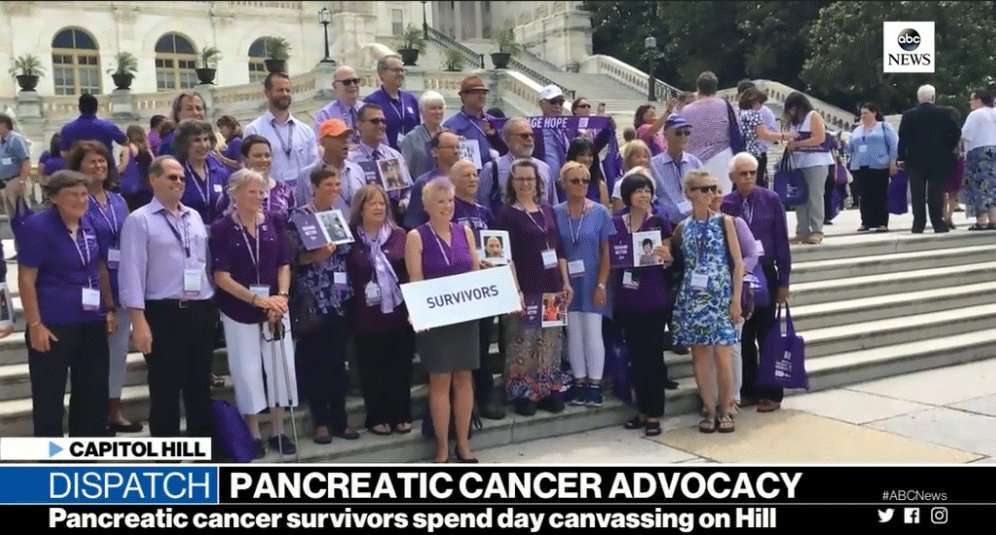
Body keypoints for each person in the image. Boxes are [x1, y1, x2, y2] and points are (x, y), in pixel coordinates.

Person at [119, 156, 216, 438]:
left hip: (199, 310)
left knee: (199, 386)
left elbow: (203, 261)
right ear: (153, 180)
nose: (178, 182)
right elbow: (132, 270)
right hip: (163, 313)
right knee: (165, 389)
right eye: (171, 177)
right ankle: (167, 458)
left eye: (182, 178)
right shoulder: (139, 220)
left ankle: (204, 454)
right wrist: (138, 321)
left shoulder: (194, 216)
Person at [19, 170, 116, 437]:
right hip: (53, 323)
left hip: (91, 320)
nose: (80, 200)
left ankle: (86, 455)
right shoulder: (37, 227)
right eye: (72, 194)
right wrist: (35, 323)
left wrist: (107, 308)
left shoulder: (89, 223)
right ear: (54, 198)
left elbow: (99, 267)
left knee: (93, 393)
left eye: (84, 194)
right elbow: (26, 279)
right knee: (49, 397)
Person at [210, 169, 296, 457]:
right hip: (239, 308)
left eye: (262, 192)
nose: (259, 197)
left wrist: (281, 298)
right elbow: (221, 276)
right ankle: (254, 432)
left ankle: (279, 429)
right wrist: (257, 301)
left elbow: (284, 263)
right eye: (252, 191)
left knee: (280, 367)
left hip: (275, 306)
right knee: (246, 370)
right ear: (235, 194)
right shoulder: (222, 228)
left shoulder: (273, 220)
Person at [404, 177, 481, 463]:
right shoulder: (416, 236)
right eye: (440, 202)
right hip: (435, 316)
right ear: (427, 206)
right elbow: (416, 278)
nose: (447, 206)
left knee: (464, 377)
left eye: (450, 201)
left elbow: (474, 271)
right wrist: (419, 311)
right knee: (439, 380)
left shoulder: (465, 231)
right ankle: (441, 447)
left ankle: (463, 443)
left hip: (464, 315)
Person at [66, 141, 139, 434]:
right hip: (90, 286)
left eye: (102, 162)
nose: (98, 167)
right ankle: (92, 415)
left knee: (118, 352)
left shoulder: (119, 201)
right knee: (92, 357)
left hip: (121, 282)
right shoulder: (77, 201)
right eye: (91, 162)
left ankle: (114, 410)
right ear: (78, 167)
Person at [288, 167, 363, 444]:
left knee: (337, 361)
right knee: (315, 361)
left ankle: (340, 419)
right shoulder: (298, 216)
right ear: (314, 187)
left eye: (337, 184)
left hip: (339, 297)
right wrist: (316, 255)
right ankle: (320, 421)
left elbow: (346, 252)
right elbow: (294, 258)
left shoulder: (338, 216)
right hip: (312, 300)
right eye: (328, 185)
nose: (334, 189)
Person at [496, 159, 571, 416]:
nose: (526, 183)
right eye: (520, 179)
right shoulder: (506, 214)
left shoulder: (547, 210)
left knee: (550, 341)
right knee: (522, 341)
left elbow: (559, 248)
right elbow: (507, 256)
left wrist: (566, 282)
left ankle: (547, 388)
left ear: (537, 182)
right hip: (526, 287)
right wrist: (514, 290)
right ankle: (522, 392)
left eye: (530, 179)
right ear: (512, 182)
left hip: (552, 287)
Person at [672, 170, 743, 434]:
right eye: (704, 189)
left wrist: (736, 299)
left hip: (720, 297)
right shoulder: (682, 227)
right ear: (689, 193)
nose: (710, 194)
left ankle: (726, 409)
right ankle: (709, 409)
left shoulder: (725, 221)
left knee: (723, 356)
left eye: (713, 188)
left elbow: (737, 264)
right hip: (693, 298)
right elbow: (678, 262)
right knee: (700, 356)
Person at [721, 153, 792, 413]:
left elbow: (782, 240)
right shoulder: (726, 203)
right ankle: (749, 389)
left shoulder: (770, 199)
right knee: (745, 334)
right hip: (738, 274)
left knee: (767, 333)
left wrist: (784, 281)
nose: (748, 177)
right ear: (732, 177)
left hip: (765, 271)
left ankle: (772, 392)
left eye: (752, 172)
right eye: (743, 173)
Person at [346, 184, 415, 436]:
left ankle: (402, 414)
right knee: (371, 368)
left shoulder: (400, 235)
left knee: (400, 367)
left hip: (399, 314)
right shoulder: (350, 237)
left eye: (381, 203)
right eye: (372, 203)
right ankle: (377, 416)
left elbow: (410, 272)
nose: (378, 207)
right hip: (366, 316)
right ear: (360, 209)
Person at [613, 172, 674, 436]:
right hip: (628, 299)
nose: (644, 194)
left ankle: (654, 413)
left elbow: (670, 258)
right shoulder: (617, 223)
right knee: (635, 358)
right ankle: (640, 409)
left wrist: (666, 255)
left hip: (654, 297)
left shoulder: (659, 221)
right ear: (628, 195)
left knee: (652, 356)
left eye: (648, 190)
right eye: (639, 190)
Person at [448, 160, 505, 420]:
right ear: (453, 180)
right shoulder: (448, 209)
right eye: (466, 175)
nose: (472, 179)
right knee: (465, 348)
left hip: (484, 288)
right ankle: (464, 403)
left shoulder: (484, 211)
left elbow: (499, 247)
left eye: (475, 175)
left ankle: (484, 396)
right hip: (460, 289)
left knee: (482, 343)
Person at [553, 161, 612, 407]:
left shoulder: (600, 212)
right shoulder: (555, 212)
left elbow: (607, 252)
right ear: (563, 183)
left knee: (593, 332)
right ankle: (579, 382)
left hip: (592, 280)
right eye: (575, 180)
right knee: (574, 333)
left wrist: (601, 285)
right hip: (567, 283)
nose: (580, 185)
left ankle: (595, 384)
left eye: (585, 180)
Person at [708, 184, 760, 416]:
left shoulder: (735, 223)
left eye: (718, 190)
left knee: (733, 347)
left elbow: (751, 254)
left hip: (733, 291)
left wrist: (734, 275)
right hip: (704, 294)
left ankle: (732, 397)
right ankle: (710, 396)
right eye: (708, 190)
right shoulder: (688, 225)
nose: (714, 195)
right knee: (706, 349)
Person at [898, 84, 961, 234]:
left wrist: (901, 157)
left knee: (917, 193)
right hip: (938, 158)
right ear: (933, 97)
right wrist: (948, 148)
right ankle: (937, 223)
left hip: (915, 159)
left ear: (918, 98)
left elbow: (902, 138)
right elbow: (955, 133)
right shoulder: (944, 113)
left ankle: (918, 224)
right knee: (936, 192)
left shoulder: (908, 115)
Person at [244, 72, 319, 188]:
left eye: (288, 90)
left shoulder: (306, 131)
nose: (285, 94)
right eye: (280, 90)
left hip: (302, 199)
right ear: (267, 93)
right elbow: (250, 170)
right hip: (271, 198)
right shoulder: (254, 130)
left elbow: (314, 168)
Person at [782, 91, 833, 244]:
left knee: (815, 196)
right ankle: (802, 231)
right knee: (800, 198)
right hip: (798, 163)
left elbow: (819, 138)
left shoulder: (813, 116)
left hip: (815, 162)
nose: (790, 112)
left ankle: (817, 230)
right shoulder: (794, 122)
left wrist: (797, 144)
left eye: (792, 108)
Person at [479, 118, 558, 212]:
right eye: (524, 136)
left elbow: (553, 205)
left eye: (532, 135)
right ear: (507, 139)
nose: (529, 139)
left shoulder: (545, 168)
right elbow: (482, 205)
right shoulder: (492, 169)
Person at [215, 135, 297, 225]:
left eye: (267, 155)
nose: (264, 160)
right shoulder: (232, 191)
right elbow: (221, 223)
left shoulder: (284, 190)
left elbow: (292, 224)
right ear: (244, 159)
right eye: (257, 156)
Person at [348, 104, 413, 213]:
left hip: (395, 220)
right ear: (359, 125)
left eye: (383, 121)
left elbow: (409, 189)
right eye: (375, 121)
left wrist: (405, 202)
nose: (380, 125)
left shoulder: (394, 155)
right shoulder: (351, 159)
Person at [845, 103, 898, 232]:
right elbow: (851, 148)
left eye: (866, 113)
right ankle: (866, 221)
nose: (863, 116)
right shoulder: (857, 130)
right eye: (862, 113)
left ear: (874, 113)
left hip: (879, 165)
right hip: (860, 165)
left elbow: (894, 144)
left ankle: (882, 222)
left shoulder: (884, 127)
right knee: (864, 195)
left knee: (879, 194)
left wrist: (893, 162)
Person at [682, 72, 737, 193]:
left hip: (694, 159)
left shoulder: (686, 110)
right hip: (722, 157)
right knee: (722, 197)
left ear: (698, 88)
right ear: (715, 88)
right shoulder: (724, 105)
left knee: (697, 200)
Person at [297, 119, 366, 208]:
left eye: (347, 137)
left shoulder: (357, 170)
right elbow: (302, 211)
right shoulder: (306, 175)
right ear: (322, 142)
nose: (345, 141)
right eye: (339, 137)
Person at [650, 114, 704, 224]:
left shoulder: (695, 162)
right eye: (678, 133)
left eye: (687, 133)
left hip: (693, 221)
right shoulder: (653, 165)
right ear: (666, 135)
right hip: (665, 223)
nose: (683, 137)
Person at [175, 120, 232, 224]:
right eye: (197, 140)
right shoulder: (176, 174)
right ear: (185, 144)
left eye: (206, 139)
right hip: (188, 235)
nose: (203, 145)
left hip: (218, 234)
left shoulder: (221, 172)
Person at [403, 130, 463, 229]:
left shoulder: (466, 179)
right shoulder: (424, 183)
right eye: (450, 147)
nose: (456, 151)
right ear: (435, 152)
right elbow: (414, 222)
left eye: (458, 147)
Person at [443, 75, 505, 169]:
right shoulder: (451, 125)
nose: (481, 96)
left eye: (483, 93)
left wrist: (494, 136)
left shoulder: (494, 122)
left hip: (494, 175)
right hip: (466, 176)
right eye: (476, 93)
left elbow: (506, 150)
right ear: (463, 97)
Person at [363, 54, 420, 149]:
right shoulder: (371, 102)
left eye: (402, 70)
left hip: (411, 157)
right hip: (387, 158)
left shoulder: (411, 99)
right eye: (396, 70)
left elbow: (417, 129)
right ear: (382, 74)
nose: (400, 74)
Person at [961, 88, 996, 230]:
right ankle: (993, 219)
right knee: (993, 186)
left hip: (979, 152)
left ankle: (981, 220)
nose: (970, 102)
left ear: (979, 100)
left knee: (978, 186)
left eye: (972, 99)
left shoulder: (975, 114)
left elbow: (965, 135)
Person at [59, 94, 127, 166]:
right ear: (96, 108)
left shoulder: (67, 129)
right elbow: (125, 142)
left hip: (79, 171)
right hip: (104, 168)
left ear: (79, 108)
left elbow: (64, 154)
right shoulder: (109, 126)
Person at [738, 87, 784, 188]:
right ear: (754, 101)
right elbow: (764, 134)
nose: (761, 106)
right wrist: (784, 136)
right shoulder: (755, 115)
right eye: (760, 103)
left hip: (744, 152)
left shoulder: (741, 113)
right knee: (758, 184)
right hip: (756, 153)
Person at [400, 91, 447, 180]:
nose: (438, 112)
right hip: (421, 188)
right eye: (433, 108)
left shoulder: (449, 134)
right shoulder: (410, 138)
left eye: (440, 108)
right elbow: (405, 172)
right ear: (422, 111)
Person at [313, 64, 364, 142]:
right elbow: (320, 146)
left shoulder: (368, 111)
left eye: (355, 81)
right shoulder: (326, 115)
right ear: (334, 86)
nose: (352, 85)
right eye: (347, 82)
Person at [0, 114, 31, 219]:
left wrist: (22, 181)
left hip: (16, 180)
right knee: (12, 217)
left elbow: (25, 161)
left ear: (4, 124)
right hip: (5, 183)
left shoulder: (15, 139)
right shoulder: (2, 141)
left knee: (22, 214)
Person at [158, 92, 206, 156]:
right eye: (189, 109)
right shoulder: (171, 143)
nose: (195, 113)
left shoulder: (208, 140)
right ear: (178, 114)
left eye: (198, 108)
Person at [565, 137, 610, 206]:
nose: (586, 159)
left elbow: (605, 215)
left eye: (590, 155)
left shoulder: (600, 185)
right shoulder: (562, 185)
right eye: (582, 155)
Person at [537, 85, 571, 175]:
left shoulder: (566, 129)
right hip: (545, 179)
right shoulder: (534, 128)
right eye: (553, 102)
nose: (557, 106)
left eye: (560, 102)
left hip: (565, 181)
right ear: (542, 104)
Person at [118, 125, 154, 211]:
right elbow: (154, 164)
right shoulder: (147, 149)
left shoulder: (128, 148)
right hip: (147, 187)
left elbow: (123, 166)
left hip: (132, 189)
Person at [610, 140, 653, 211]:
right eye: (638, 157)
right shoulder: (620, 185)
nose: (642, 160)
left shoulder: (651, 182)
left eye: (645, 156)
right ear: (629, 159)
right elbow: (617, 214)